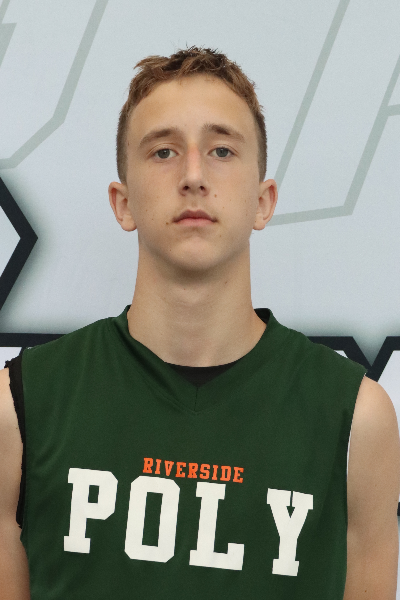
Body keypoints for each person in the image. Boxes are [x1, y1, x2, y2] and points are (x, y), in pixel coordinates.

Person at [0, 46, 399, 599]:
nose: (193, 175)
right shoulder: (20, 406)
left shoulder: (356, 419)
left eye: (221, 150)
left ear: (263, 202)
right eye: (163, 151)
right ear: (122, 203)